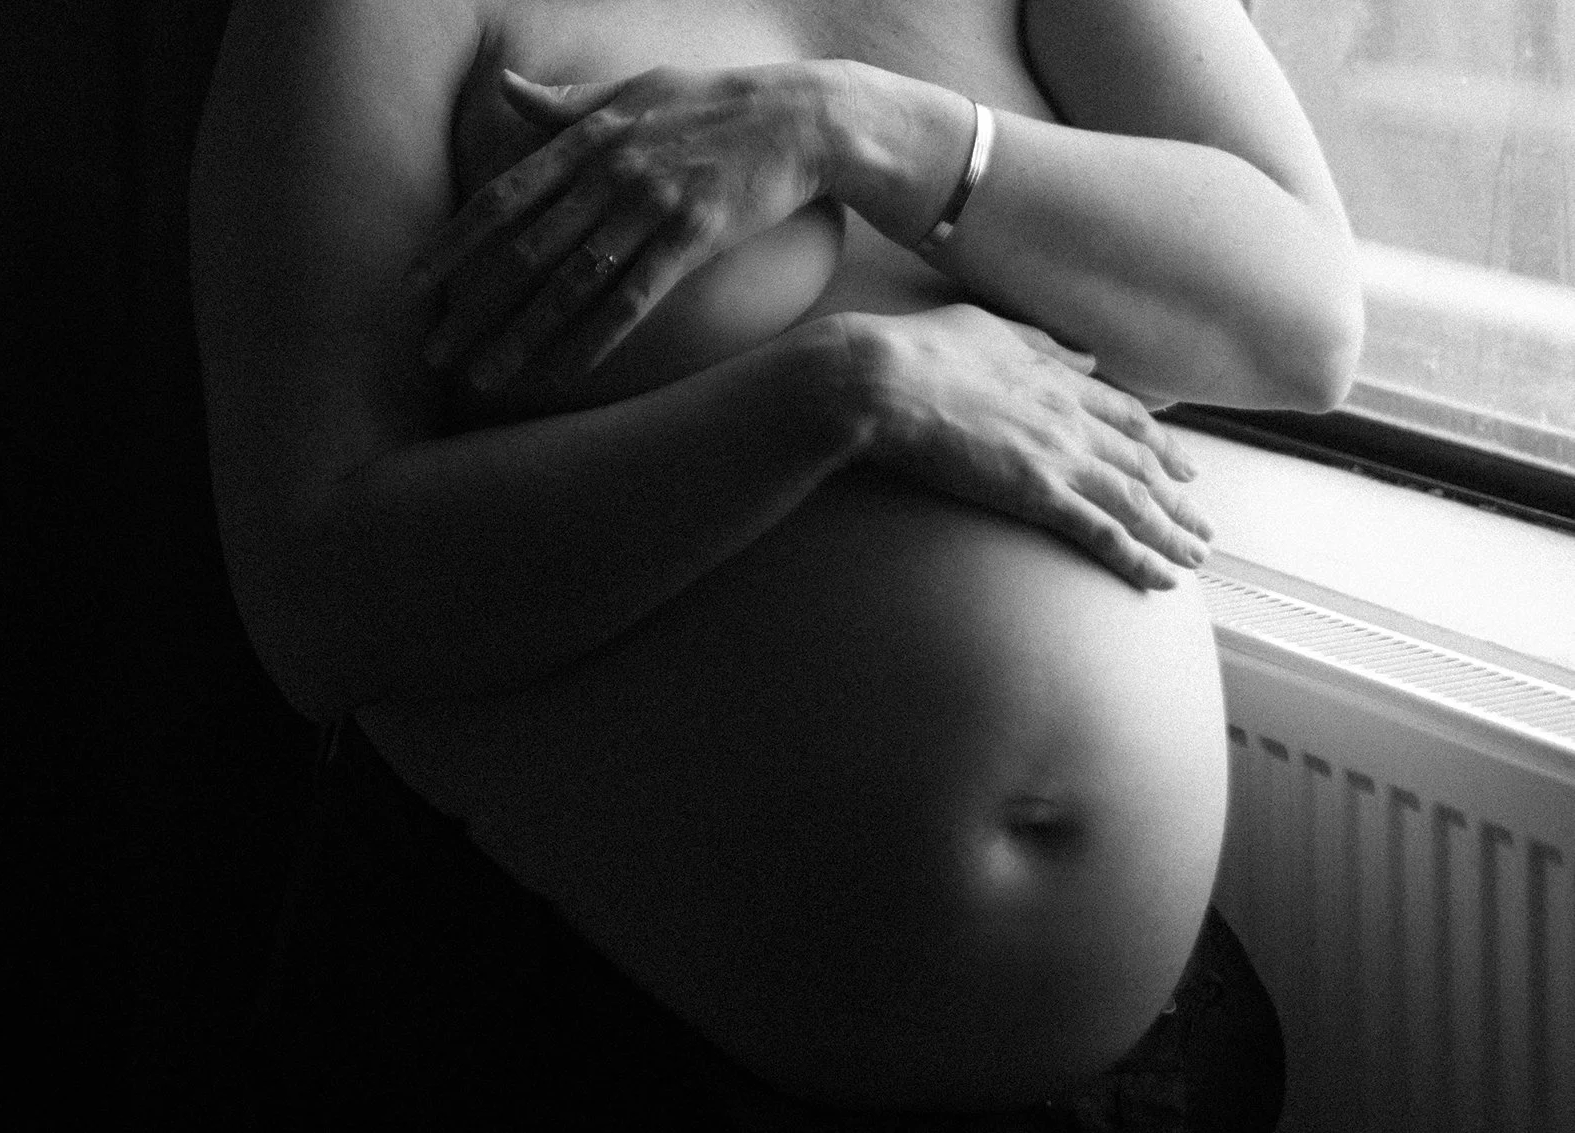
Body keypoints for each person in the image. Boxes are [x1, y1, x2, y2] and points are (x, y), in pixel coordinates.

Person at [189, 0, 1359, 1126]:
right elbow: (315, 593)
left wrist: (851, 126)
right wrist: (843, 395)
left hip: (1133, 1064)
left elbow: (1302, 327)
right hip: (600, 1038)